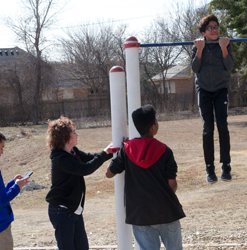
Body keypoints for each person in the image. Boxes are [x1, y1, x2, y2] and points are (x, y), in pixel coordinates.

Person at [106, 105, 185, 250]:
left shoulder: (127, 150)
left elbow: (109, 173)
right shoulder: (165, 151)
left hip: (140, 215)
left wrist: (123, 148)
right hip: (167, 211)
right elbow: (172, 184)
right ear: (154, 126)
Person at [45, 116, 113, 250]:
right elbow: (85, 169)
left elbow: (90, 158)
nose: (77, 135)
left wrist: (111, 152)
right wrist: (105, 153)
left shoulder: (72, 152)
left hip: (73, 210)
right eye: (74, 133)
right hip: (61, 212)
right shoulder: (61, 159)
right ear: (65, 138)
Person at [191, 14, 234, 183]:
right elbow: (195, 68)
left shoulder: (225, 44)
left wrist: (224, 48)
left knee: (222, 125)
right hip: (204, 90)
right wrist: (200, 49)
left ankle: (226, 167)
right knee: (208, 128)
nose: (214, 30)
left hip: (220, 89)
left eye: (216, 27)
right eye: (210, 28)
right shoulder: (197, 46)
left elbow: (229, 66)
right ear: (204, 32)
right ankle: (210, 169)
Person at [0, 131, 30, 250]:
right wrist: (17, 187)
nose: (2, 152)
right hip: (0, 227)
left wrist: (12, 183)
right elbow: (1, 201)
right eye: (1, 148)